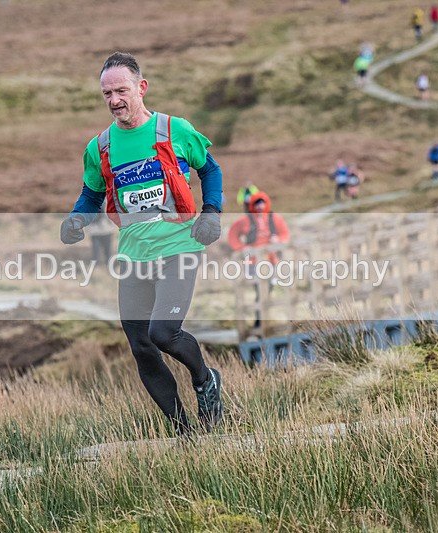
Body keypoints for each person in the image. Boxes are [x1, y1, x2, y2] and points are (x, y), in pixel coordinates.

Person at [60, 52, 224, 437]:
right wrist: (76, 220)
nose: (114, 100)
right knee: (141, 346)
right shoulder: (99, 146)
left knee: (163, 333)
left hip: (178, 245)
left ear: (141, 88)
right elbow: (91, 194)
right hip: (133, 253)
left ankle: (205, 378)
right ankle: (184, 433)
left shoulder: (174, 130)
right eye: (106, 94)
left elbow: (209, 169)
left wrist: (212, 211)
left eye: (121, 90)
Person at [227, 192, 290, 328]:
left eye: (262, 203)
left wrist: (278, 239)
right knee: (260, 290)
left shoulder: (275, 219)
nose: (260, 206)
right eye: (257, 203)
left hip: (271, 261)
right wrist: (242, 248)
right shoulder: (245, 221)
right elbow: (232, 234)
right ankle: (260, 322)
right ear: (252, 206)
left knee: (268, 289)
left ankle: (262, 320)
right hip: (254, 262)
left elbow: (285, 234)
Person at [86, 200, 116, 265]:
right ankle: (97, 269)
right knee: (99, 252)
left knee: (103, 252)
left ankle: (105, 268)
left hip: (102, 230)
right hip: (100, 230)